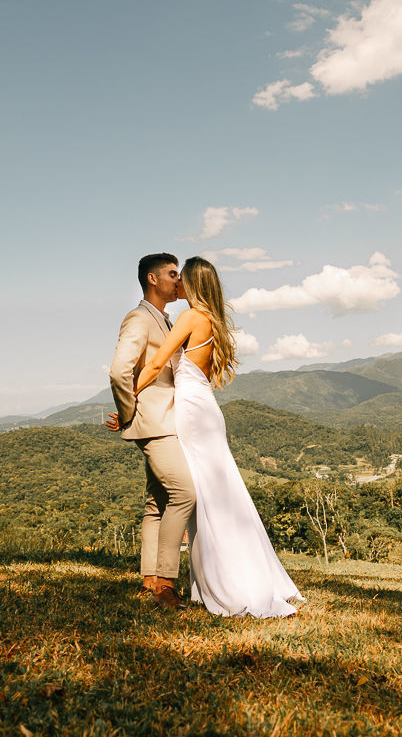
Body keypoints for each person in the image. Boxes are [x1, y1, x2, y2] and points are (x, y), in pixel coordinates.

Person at [133, 256, 304, 618]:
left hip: (191, 411)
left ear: (193, 284)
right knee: (220, 494)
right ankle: (228, 574)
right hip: (205, 409)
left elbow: (157, 362)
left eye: (181, 278)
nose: (176, 283)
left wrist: (129, 398)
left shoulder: (190, 317)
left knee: (204, 494)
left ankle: (225, 581)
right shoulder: (212, 320)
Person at [107, 253, 195, 609]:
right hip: (155, 422)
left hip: (167, 419)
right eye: (173, 274)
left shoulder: (165, 319)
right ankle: (166, 584)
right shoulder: (139, 318)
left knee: (156, 502)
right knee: (184, 493)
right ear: (152, 279)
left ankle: (148, 580)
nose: (179, 280)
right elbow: (119, 371)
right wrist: (129, 413)